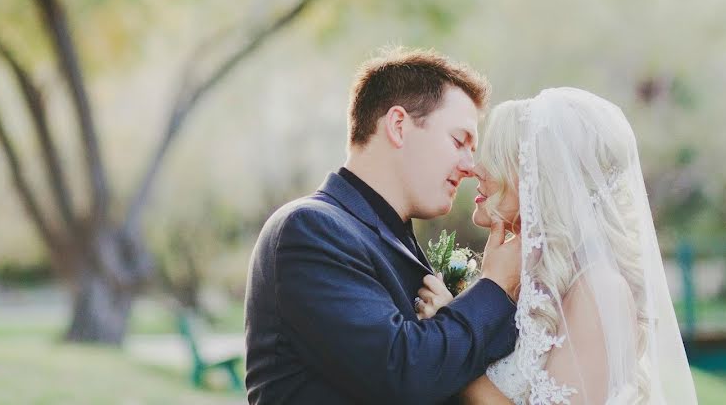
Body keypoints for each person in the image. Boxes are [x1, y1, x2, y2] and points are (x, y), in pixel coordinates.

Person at [244, 48, 522, 404]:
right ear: (398, 125)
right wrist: (495, 287)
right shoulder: (308, 229)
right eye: (459, 141)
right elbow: (404, 372)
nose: (471, 167)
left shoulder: (396, 238)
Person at [422, 88, 698, 404]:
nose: (475, 169)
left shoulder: (600, 289)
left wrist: (452, 339)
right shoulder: (527, 276)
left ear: (543, 178)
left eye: (496, 157)